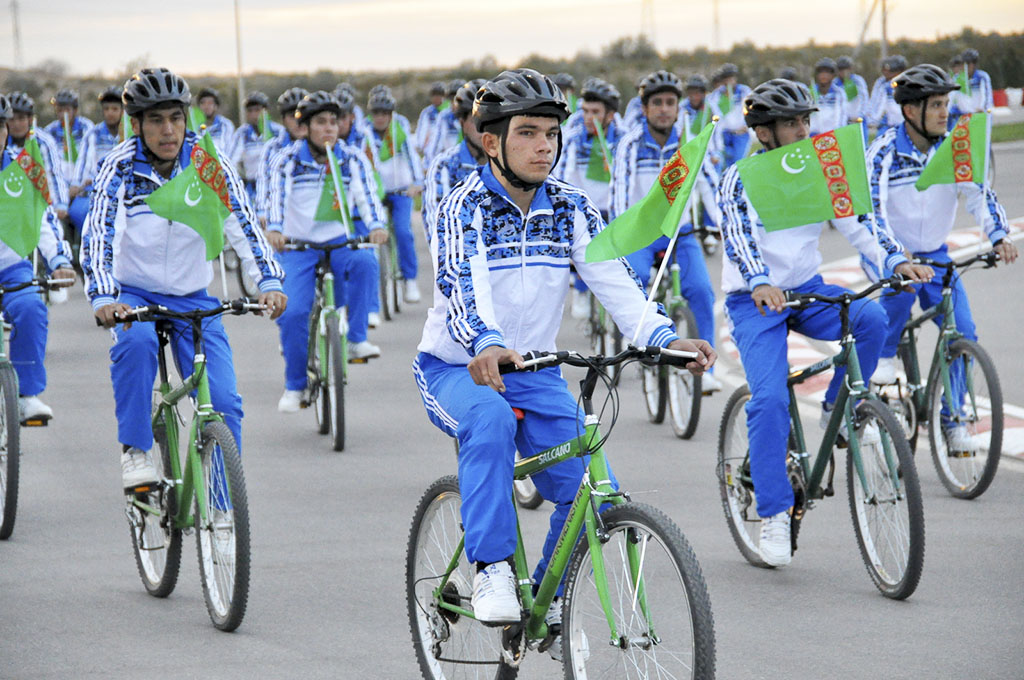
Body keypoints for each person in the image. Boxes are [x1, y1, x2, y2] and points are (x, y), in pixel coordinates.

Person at [412, 68, 714, 633]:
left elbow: (617, 282)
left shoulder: (571, 207)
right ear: (490, 140)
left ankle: (550, 594)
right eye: (527, 132)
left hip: (535, 369)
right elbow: (462, 282)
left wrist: (664, 339)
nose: (543, 145)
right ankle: (492, 565)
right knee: (491, 421)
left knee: (594, 493)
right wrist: (487, 343)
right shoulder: (463, 206)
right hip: (459, 367)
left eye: (550, 133)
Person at [717, 78, 932, 566]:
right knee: (769, 399)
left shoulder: (823, 166)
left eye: (805, 120)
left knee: (872, 317)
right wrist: (758, 281)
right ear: (764, 132)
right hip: (755, 300)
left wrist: (895, 259)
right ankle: (773, 512)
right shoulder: (741, 177)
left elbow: (862, 220)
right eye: (792, 123)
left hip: (807, 290)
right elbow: (740, 238)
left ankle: (842, 405)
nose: (803, 130)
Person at [81, 67, 286, 490]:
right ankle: (136, 449)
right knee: (135, 345)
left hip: (193, 295)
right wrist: (103, 296)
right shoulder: (119, 166)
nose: (168, 130)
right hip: (134, 294)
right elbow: (98, 230)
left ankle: (222, 514)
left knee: (224, 404)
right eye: (155, 120)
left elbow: (242, 223)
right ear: (135, 125)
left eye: (176, 118)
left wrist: (267, 280)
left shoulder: (206, 160)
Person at [863, 65, 1016, 453]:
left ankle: (953, 421)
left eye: (946, 103)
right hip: (889, 253)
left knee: (962, 333)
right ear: (911, 111)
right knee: (895, 302)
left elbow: (979, 194)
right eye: (936, 105)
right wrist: (896, 257)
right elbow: (871, 214)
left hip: (935, 255)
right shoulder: (882, 151)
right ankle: (881, 367)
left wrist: (998, 235)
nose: (945, 112)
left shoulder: (955, 147)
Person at [266, 91, 387, 413]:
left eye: (334, 122)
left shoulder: (351, 158)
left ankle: (355, 339)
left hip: (339, 242)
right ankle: (296, 386)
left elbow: (367, 195)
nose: (330, 128)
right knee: (292, 314)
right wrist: (275, 228)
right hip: (298, 248)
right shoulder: (288, 160)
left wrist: (376, 224)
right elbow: (276, 197)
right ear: (304, 127)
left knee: (366, 261)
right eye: (321, 122)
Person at [610, 69, 723, 392]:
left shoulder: (690, 143)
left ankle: (705, 368)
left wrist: (720, 225)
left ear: (678, 107)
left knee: (701, 290)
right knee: (634, 286)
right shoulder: (630, 144)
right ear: (644, 108)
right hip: (640, 233)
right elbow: (621, 192)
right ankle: (648, 342)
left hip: (680, 232)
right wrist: (621, 231)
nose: (663, 108)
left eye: (670, 102)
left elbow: (708, 184)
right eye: (656, 103)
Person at [0, 94, 77, 422]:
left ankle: (27, 394)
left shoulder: (23, 167)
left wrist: (59, 260)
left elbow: (43, 220)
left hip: (10, 268)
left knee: (32, 307)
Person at [553, 77, 623, 318]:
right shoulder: (572, 138)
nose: (588, 117)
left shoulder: (623, 139)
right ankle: (581, 289)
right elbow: (563, 176)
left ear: (610, 115)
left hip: (614, 209)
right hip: (584, 210)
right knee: (583, 248)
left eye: (595, 112)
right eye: (585, 111)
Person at [364, 86, 424, 304]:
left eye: (384, 114)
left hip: (400, 191)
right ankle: (373, 297)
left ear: (391, 115)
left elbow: (412, 157)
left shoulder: (400, 130)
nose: (380, 118)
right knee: (368, 236)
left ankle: (410, 280)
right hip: (375, 193)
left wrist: (417, 183)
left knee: (403, 231)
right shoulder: (364, 132)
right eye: (376, 113)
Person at [421, 78, 486, 244]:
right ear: (461, 121)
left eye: (490, 121)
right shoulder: (443, 166)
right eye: (475, 121)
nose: (483, 129)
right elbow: (436, 226)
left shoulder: (510, 164)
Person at [69, 86, 125, 241]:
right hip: (97, 188)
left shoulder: (130, 133)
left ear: (123, 110)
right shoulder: (93, 134)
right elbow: (83, 164)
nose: (110, 113)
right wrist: (77, 183)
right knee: (77, 211)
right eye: (106, 109)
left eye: (115, 108)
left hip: (125, 189)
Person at [5, 92, 69, 221]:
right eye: (12, 119)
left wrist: (60, 205)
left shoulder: (43, 141)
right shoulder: (3, 141)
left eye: (21, 119)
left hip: (38, 206)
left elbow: (54, 174)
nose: (16, 124)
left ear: (30, 119)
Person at [254, 86, 308, 228]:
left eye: (303, 116)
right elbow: (263, 180)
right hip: (281, 217)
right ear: (283, 120)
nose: (299, 122)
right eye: (292, 116)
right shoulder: (272, 148)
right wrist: (261, 212)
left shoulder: (321, 148)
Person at [230, 91, 285, 205]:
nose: (254, 115)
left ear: (265, 111)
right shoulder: (242, 133)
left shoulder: (278, 131)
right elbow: (232, 159)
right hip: (252, 186)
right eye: (250, 111)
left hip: (274, 185)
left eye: (257, 110)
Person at [43, 89, 94, 191]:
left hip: (84, 180)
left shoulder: (86, 126)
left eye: (66, 110)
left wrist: (77, 182)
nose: (62, 114)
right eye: (59, 110)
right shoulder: (50, 130)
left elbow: (87, 157)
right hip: (61, 181)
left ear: (75, 110)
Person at [708, 63, 752, 169]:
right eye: (726, 79)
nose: (729, 81)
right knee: (724, 163)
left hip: (740, 134)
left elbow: (751, 108)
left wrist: (747, 126)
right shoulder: (717, 95)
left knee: (739, 164)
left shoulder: (744, 91)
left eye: (731, 78)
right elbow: (715, 114)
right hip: (724, 134)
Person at [422, 79, 463, 167]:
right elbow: (435, 146)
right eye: (452, 100)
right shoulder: (444, 117)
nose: (454, 104)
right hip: (453, 166)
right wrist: (430, 165)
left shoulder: (475, 116)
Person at [868, 55, 907, 136]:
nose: (886, 73)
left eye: (890, 71)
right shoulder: (881, 83)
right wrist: (872, 119)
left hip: (903, 124)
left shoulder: (907, 82)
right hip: (886, 124)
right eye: (884, 70)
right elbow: (875, 101)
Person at [195, 86, 236, 157]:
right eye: (203, 103)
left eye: (210, 103)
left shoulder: (225, 125)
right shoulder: (196, 127)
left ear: (216, 106)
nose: (206, 106)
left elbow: (228, 151)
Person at [809, 58, 846, 136]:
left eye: (827, 73)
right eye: (821, 72)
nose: (824, 76)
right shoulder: (810, 92)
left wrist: (838, 133)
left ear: (833, 75)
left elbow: (841, 116)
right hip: (813, 136)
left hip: (833, 135)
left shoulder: (839, 93)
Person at [836, 55, 871, 139]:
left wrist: (860, 115)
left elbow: (864, 99)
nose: (843, 72)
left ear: (850, 69)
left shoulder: (858, 80)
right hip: (844, 121)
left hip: (858, 119)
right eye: (841, 69)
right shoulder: (835, 83)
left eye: (846, 69)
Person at [414, 81, 446, 161]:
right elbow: (421, 131)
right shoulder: (427, 113)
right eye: (434, 95)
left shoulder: (449, 111)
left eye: (439, 95)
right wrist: (420, 146)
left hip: (445, 150)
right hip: (430, 152)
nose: (436, 98)